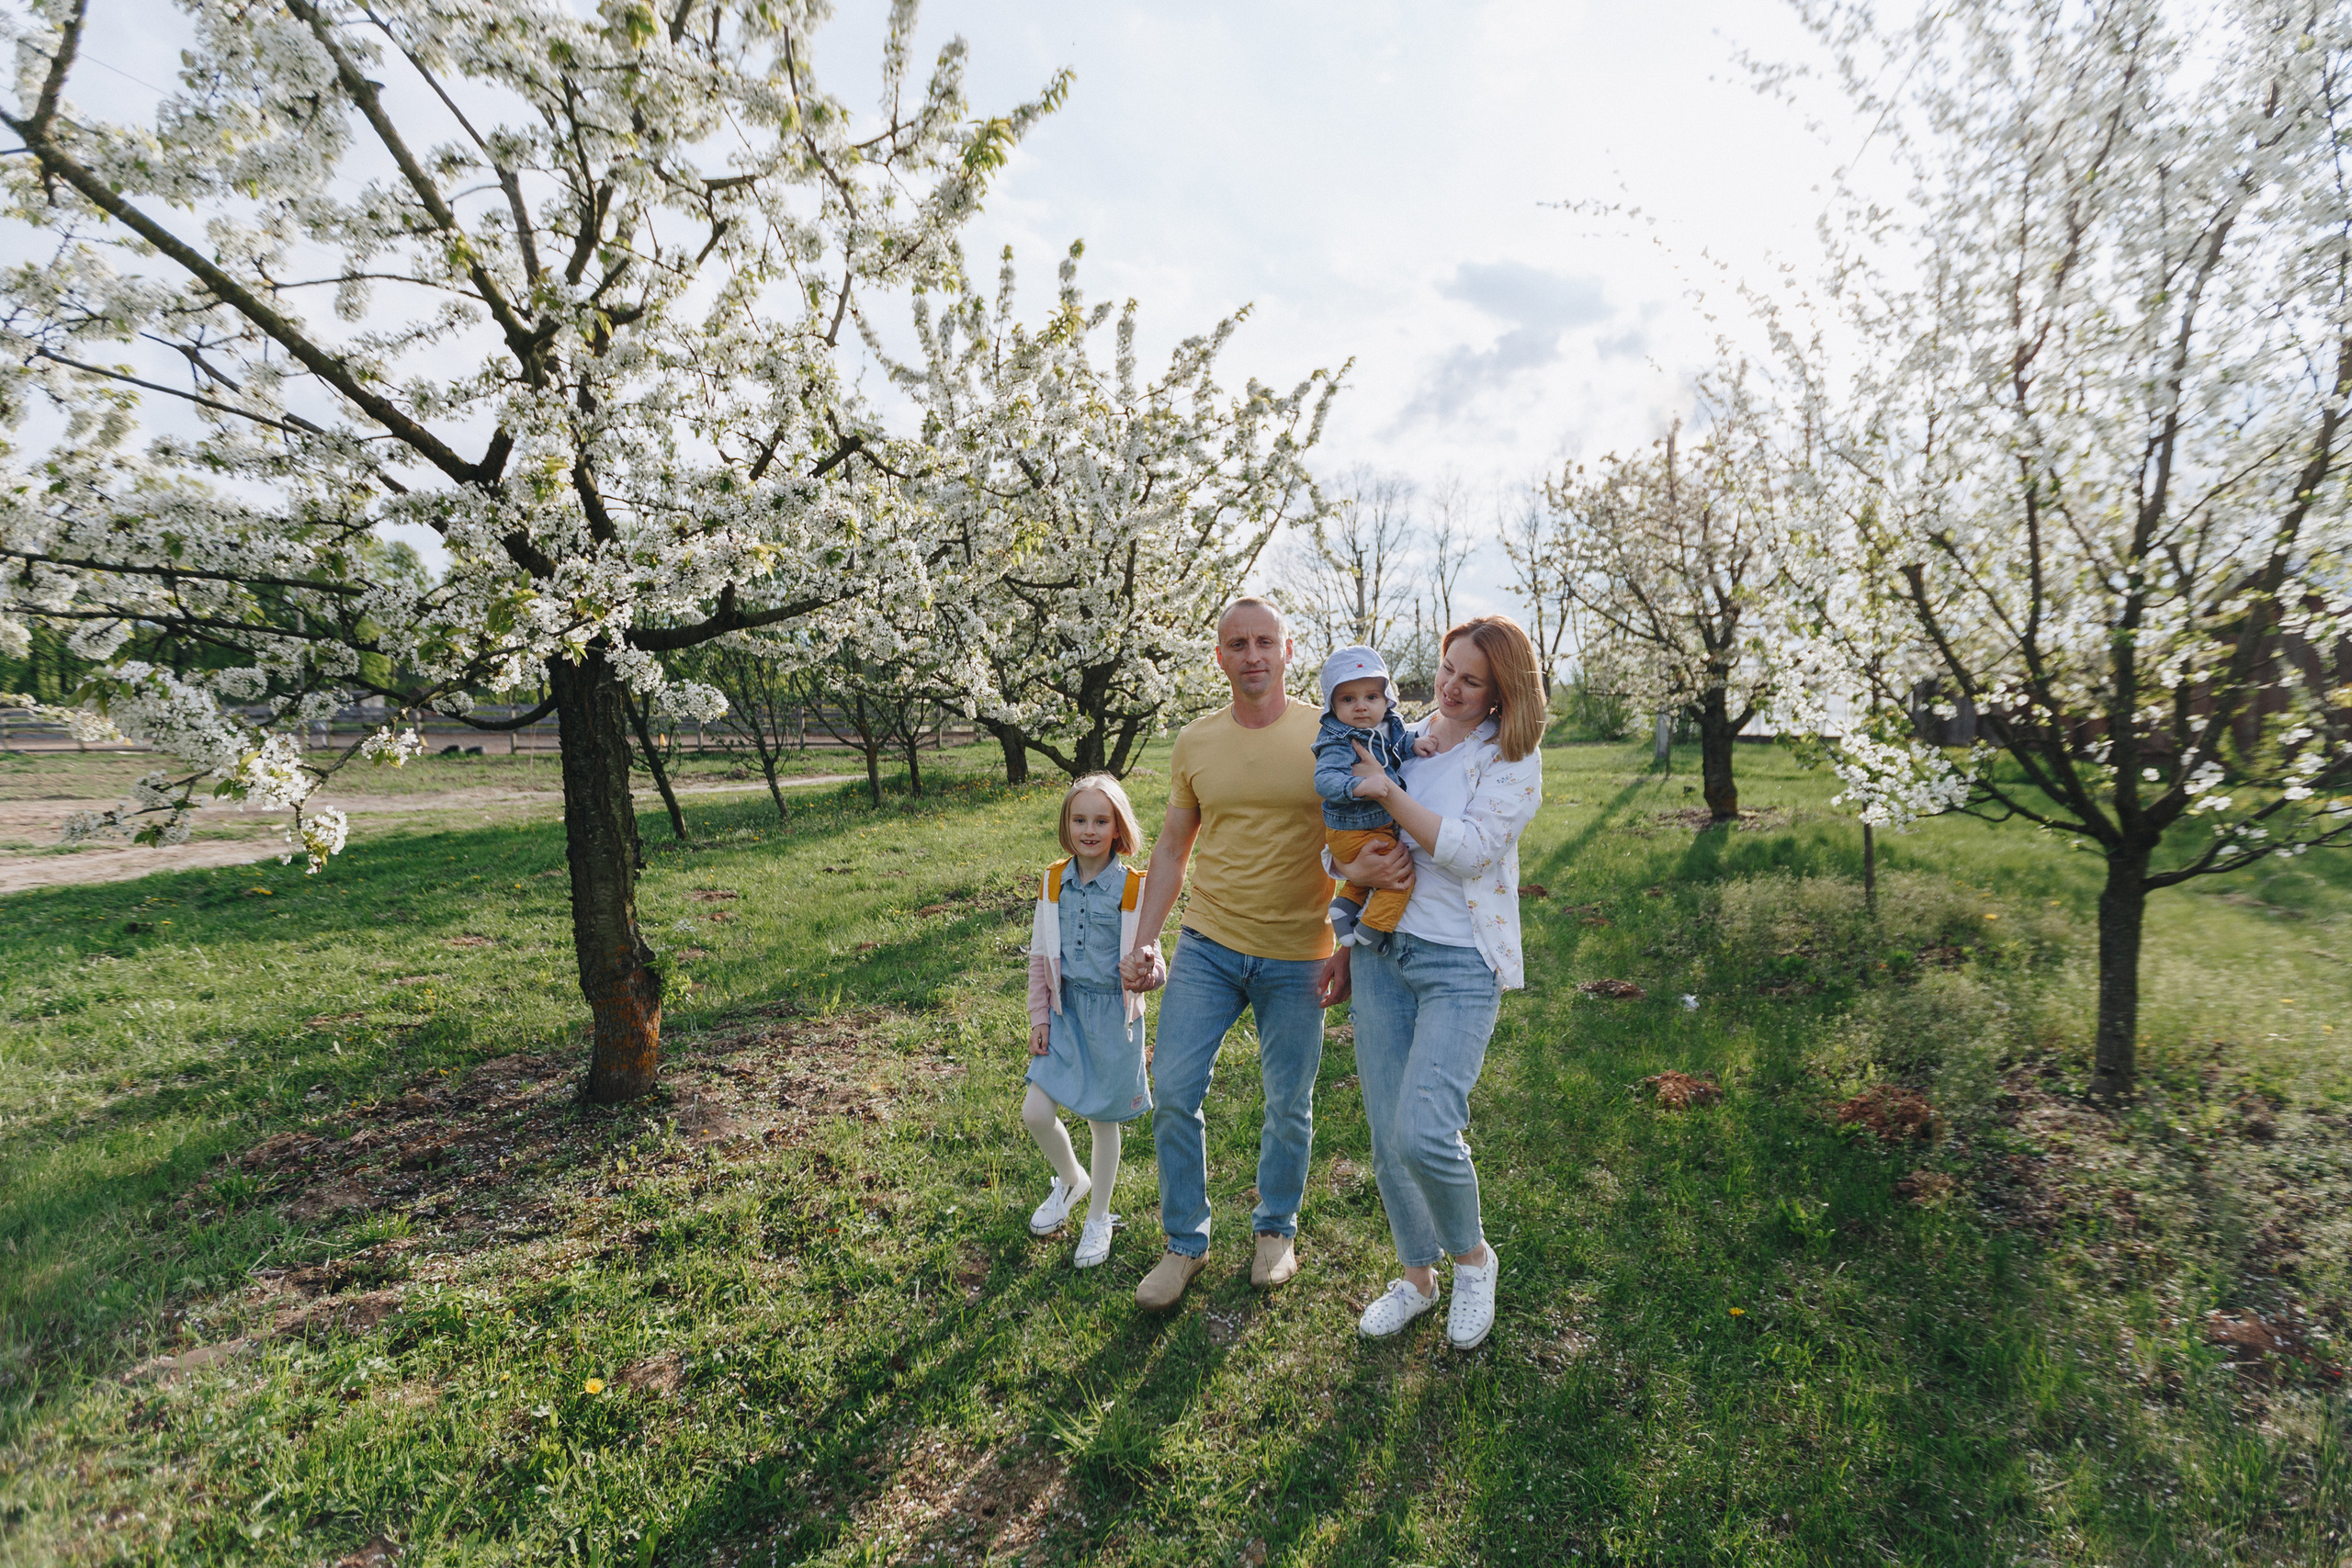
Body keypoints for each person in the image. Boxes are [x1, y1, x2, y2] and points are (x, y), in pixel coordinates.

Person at [1118, 599, 1352, 1310]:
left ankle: (1275, 1230)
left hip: (1299, 952)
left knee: (1288, 1102)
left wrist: (1347, 942)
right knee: (1174, 1092)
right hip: (1209, 944)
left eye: (1264, 642)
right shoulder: (1196, 741)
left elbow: (1357, 838)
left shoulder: (1326, 734)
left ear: (1288, 649)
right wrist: (1146, 936)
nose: (1252, 655)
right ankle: (1184, 1243)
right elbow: (1172, 846)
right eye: (1237, 644)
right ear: (1219, 655)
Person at [1340, 615, 1545, 1351]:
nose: (1450, 687)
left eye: (1470, 680)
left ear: (1500, 694)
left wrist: (1391, 797)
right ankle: (1417, 1278)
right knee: (1387, 1133)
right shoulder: (1404, 736)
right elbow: (1345, 827)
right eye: (1446, 668)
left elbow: (1471, 850)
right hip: (1381, 950)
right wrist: (1350, 872)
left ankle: (1473, 1259)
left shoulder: (1511, 759)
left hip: (1460, 962)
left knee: (1424, 1128)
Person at [1022, 774, 1154, 1270]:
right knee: (1036, 1112)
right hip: (1066, 1012)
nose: (1090, 830)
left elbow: (1153, 956)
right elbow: (1040, 955)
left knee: (1102, 1120)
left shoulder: (1134, 887)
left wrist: (1149, 973)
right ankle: (1072, 1179)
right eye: (1080, 820)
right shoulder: (1053, 881)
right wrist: (1039, 1016)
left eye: (1101, 821)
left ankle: (1098, 1217)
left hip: (1113, 1018)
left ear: (1118, 828)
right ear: (1067, 825)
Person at [1314, 645, 1440, 951]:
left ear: (1386, 699)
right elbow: (1324, 780)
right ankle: (1373, 930)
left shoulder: (1387, 726)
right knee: (1399, 876)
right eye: (1348, 699)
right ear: (1333, 705)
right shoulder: (1338, 740)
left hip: (1373, 826)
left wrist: (1414, 744)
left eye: (1371, 697)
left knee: (1373, 873)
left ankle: (1344, 906)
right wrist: (1360, 786)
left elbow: (1394, 747)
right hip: (1353, 828)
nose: (1361, 707)